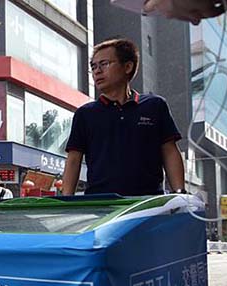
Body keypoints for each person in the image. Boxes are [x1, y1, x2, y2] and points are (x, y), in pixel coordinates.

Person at [61, 38, 186, 196]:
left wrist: (180, 194)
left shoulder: (155, 106)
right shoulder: (85, 114)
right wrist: (67, 201)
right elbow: (73, 160)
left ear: (127, 67)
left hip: (147, 203)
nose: (97, 71)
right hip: (100, 203)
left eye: (104, 64)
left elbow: (169, 151)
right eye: (93, 66)